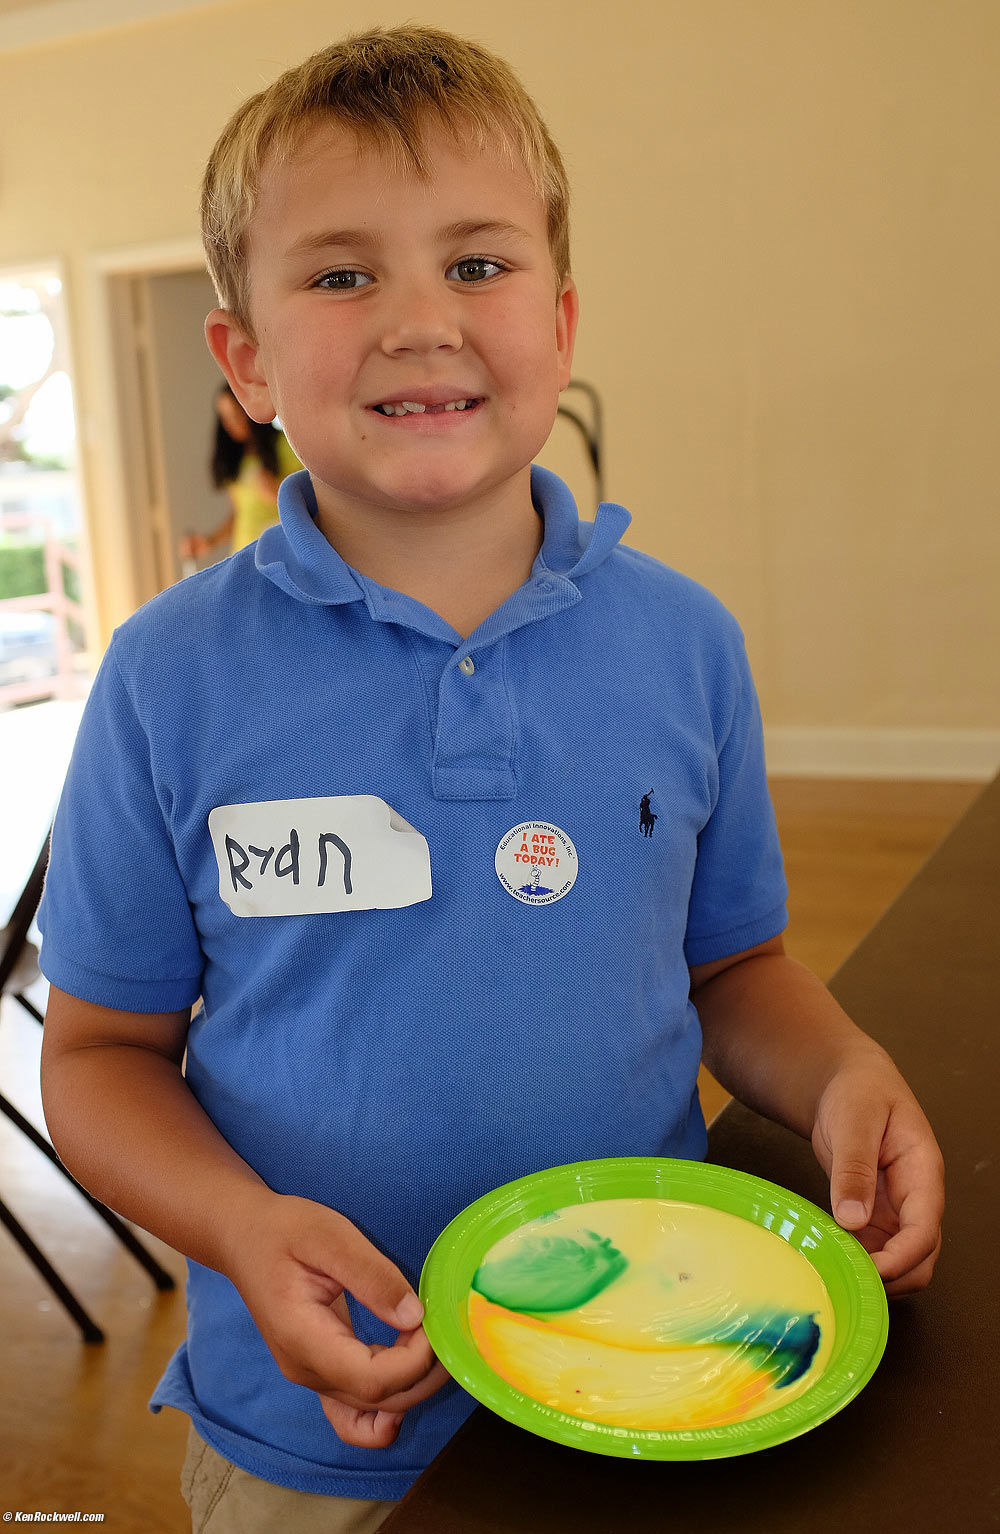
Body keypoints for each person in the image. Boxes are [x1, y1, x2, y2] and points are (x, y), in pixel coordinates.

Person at [37, 24, 944, 1534]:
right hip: (313, 1436)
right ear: (245, 358)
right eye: (341, 274)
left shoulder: (687, 646)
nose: (417, 321)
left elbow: (738, 965)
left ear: (563, 316)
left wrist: (845, 1070)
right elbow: (95, 1057)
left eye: (476, 264)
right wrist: (241, 1225)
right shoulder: (163, 680)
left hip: (660, 1375)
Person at [179, 382, 302, 565]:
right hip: (244, 557)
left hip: (279, 556)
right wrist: (210, 541)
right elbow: (239, 514)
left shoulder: (287, 446)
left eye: (235, 414)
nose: (231, 425)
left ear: (249, 410)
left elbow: (315, 502)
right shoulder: (237, 462)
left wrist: (278, 493)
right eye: (225, 418)